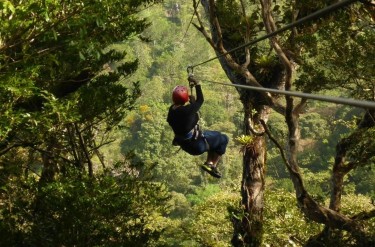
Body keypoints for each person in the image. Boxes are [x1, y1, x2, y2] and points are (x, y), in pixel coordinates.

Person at [167, 76, 229, 178]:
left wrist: (192, 104)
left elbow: (188, 111)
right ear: (185, 98)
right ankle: (212, 164)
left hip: (185, 144)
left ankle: (209, 163)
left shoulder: (172, 110)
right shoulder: (187, 110)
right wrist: (197, 84)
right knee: (223, 138)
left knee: (214, 136)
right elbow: (200, 100)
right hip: (197, 145)